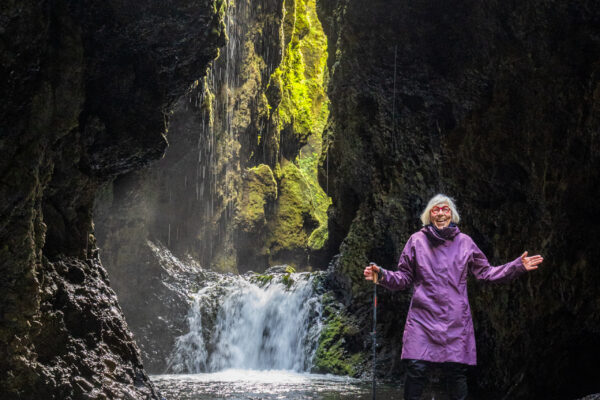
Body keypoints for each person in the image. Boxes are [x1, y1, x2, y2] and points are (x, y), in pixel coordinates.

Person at [363, 194, 543, 400]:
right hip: (422, 318)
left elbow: (486, 273)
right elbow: (403, 279)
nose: (440, 213)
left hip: (455, 319)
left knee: (456, 373)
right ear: (429, 215)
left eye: (445, 209)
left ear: (452, 215)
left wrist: (517, 266)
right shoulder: (416, 241)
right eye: (436, 210)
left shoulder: (465, 242)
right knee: (417, 369)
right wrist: (382, 275)